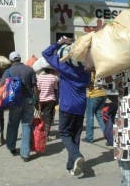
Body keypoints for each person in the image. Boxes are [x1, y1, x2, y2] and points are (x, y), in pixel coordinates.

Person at [42, 36, 91, 176]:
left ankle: (76, 156)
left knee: (64, 133)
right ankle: (72, 166)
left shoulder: (64, 68)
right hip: (81, 107)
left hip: (67, 106)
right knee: (75, 135)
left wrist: (59, 43)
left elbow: (46, 54)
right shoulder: (86, 72)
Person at [0, 51, 37, 162]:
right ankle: (25, 154)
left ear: (11, 60)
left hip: (15, 102)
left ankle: (12, 147)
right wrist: (37, 101)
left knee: (13, 125)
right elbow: (35, 87)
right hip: (29, 101)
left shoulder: (8, 71)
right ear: (20, 59)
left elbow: (2, 85)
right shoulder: (30, 70)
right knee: (26, 126)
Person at [84, 72, 107, 143]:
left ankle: (89, 137)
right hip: (103, 94)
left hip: (93, 95)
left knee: (90, 117)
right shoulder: (102, 70)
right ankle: (108, 136)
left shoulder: (91, 73)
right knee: (99, 116)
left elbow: (90, 85)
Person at [36, 67, 59, 140]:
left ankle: (42, 132)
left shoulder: (39, 77)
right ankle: (46, 135)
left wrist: (37, 100)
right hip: (51, 100)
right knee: (48, 117)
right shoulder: (54, 78)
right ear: (51, 70)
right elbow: (55, 89)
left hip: (41, 100)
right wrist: (57, 100)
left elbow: (38, 89)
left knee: (41, 116)